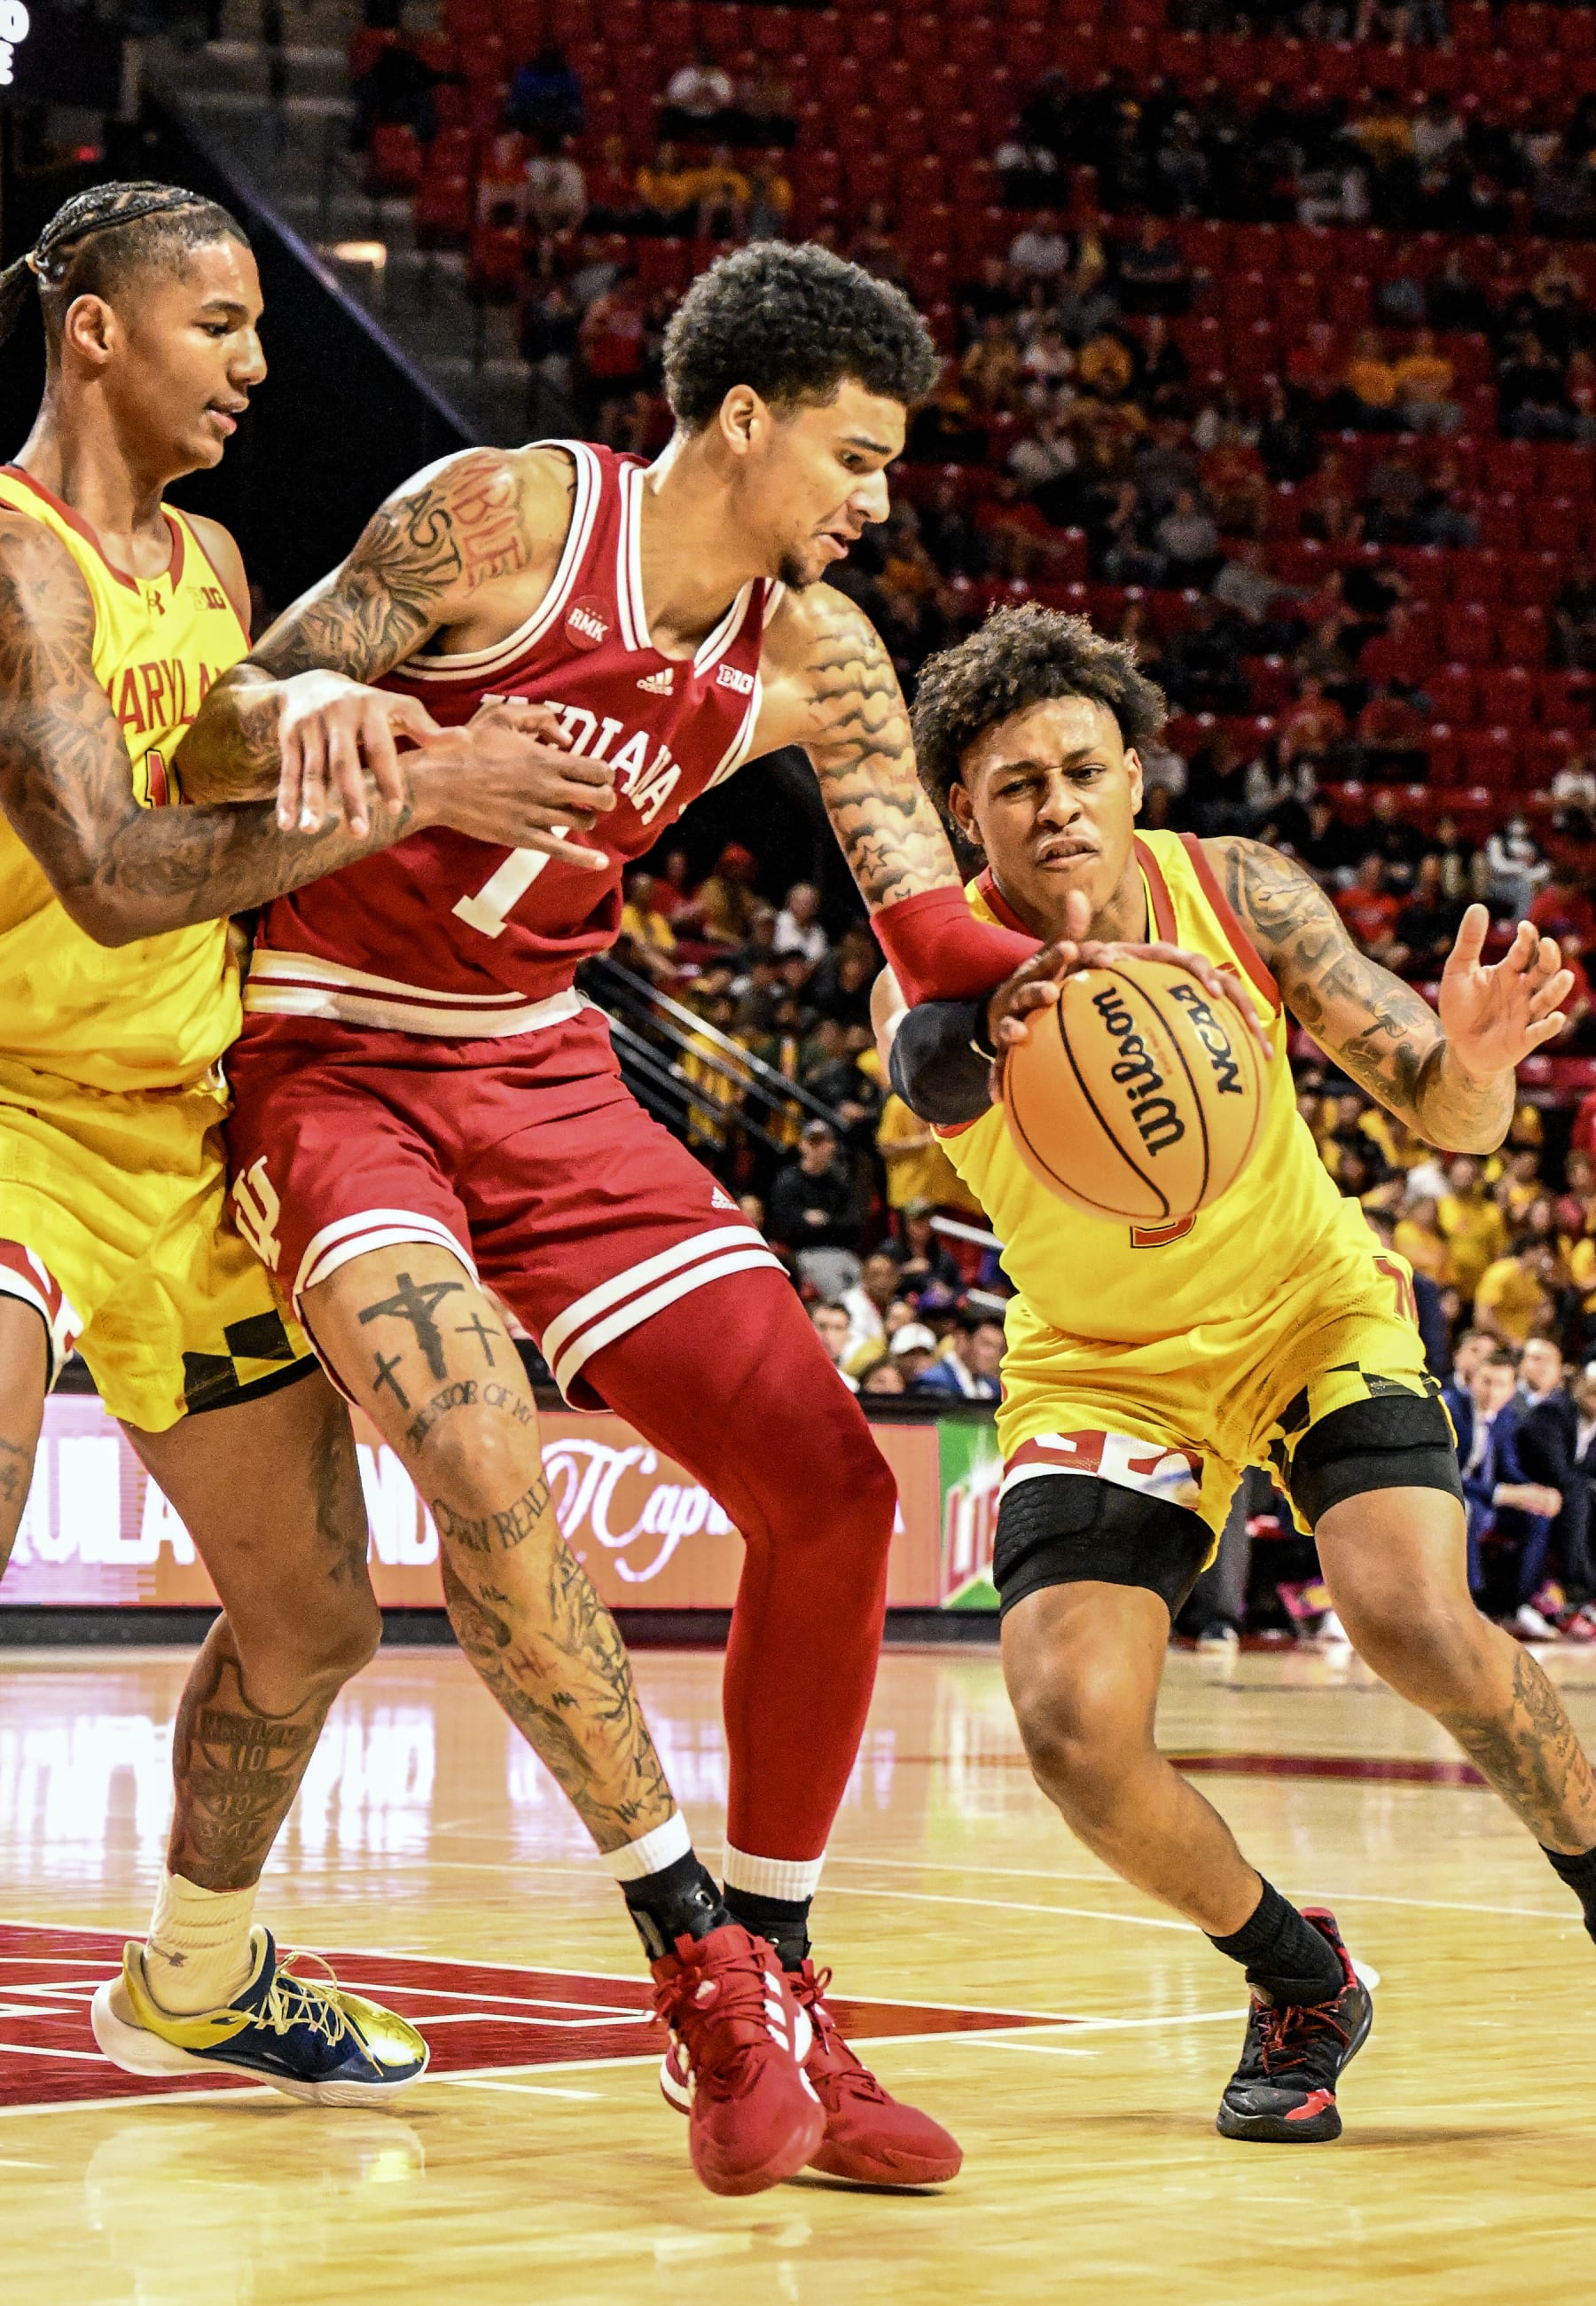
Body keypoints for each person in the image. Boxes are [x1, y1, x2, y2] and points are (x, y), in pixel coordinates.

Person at [174, 243, 1021, 2195]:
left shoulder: (820, 651)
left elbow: (926, 925)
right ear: (743, 419)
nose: (877, 503)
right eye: (859, 457)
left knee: (837, 1491)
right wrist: (371, 726)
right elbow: (225, 725)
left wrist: (1059, 965)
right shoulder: (502, 515)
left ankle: (793, 1975)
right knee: (477, 1451)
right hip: (332, 1059)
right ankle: (696, 1971)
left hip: (549, 1077)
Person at [878, 603, 1596, 2145]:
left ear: (1134, 773)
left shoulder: (1239, 888)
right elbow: (923, 1067)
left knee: (1410, 1618)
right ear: (966, 813)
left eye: (1082, 768)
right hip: (1107, 1365)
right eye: (1017, 784)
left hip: (1305, 1311)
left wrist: (1470, 1066)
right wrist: (970, 1024)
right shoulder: (934, 969)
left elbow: (1442, 1111)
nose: (1057, 802)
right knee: (1071, 1728)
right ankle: (1300, 1976)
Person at [0, 184, 571, 2106]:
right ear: (96, 331)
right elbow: (108, 875)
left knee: (320, 1612)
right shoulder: (17, 566)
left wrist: (342, 702)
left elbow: (230, 754)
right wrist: (424, 793)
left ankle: (199, 1970)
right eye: (221, 324)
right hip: (4, 1099)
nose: (260, 364)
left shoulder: (223, 565)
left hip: (174, 1125)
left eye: (259, 329)